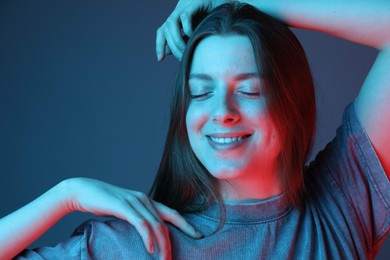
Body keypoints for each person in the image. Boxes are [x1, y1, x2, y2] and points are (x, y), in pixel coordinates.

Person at [1, 0, 389, 259]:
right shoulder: (135, 244)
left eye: (250, 90)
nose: (222, 112)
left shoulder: (344, 203)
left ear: (291, 102)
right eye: (202, 93)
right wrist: (66, 196)